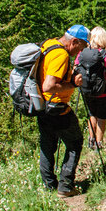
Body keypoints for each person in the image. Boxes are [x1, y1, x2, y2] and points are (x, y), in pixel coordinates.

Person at [38, 24, 90, 198]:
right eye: (80, 47)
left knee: (47, 146)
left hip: (42, 106)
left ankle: (49, 186)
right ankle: (66, 186)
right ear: (74, 41)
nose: (79, 52)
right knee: (75, 143)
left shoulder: (49, 45)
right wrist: (73, 84)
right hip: (57, 107)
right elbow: (49, 85)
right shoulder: (61, 54)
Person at [74, 27, 106, 151]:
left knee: (91, 114)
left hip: (87, 90)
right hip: (104, 91)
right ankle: (99, 143)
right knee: (102, 117)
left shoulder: (82, 53)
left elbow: (75, 67)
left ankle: (91, 139)